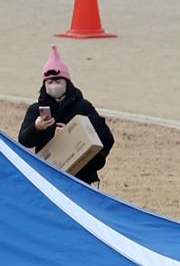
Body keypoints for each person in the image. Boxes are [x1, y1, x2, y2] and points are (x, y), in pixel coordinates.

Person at [17, 50, 113, 184]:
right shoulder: (36, 110)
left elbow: (106, 137)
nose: (54, 85)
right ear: (44, 85)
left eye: (58, 81)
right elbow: (24, 141)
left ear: (67, 83)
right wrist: (36, 127)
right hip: (48, 175)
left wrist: (74, 136)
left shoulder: (83, 107)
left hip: (80, 177)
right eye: (50, 82)